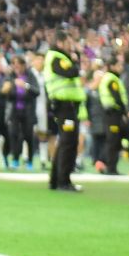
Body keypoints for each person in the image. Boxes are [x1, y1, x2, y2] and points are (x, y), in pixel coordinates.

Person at [44, 31, 86, 192]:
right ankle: (64, 181)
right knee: (69, 142)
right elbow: (71, 72)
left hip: (66, 105)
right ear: (61, 42)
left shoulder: (57, 57)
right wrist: (75, 62)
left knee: (65, 142)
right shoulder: (56, 57)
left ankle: (55, 180)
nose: (70, 45)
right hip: (64, 106)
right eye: (68, 42)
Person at [99, 58, 129, 175]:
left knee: (115, 141)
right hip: (113, 115)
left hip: (112, 114)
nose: (121, 67)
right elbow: (117, 98)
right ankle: (111, 168)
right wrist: (125, 113)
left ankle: (104, 163)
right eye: (119, 65)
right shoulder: (112, 79)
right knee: (113, 141)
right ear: (112, 66)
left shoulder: (112, 78)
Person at [5, 56, 39, 170]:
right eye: (14, 66)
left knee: (28, 136)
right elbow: (7, 95)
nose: (16, 68)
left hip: (28, 111)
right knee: (14, 135)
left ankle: (29, 161)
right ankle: (15, 160)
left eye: (18, 65)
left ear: (23, 65)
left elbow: (36, 91)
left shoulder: (30, 76)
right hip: (15, 111)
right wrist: (8, 89)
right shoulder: (11, 76)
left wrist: (25, 86)